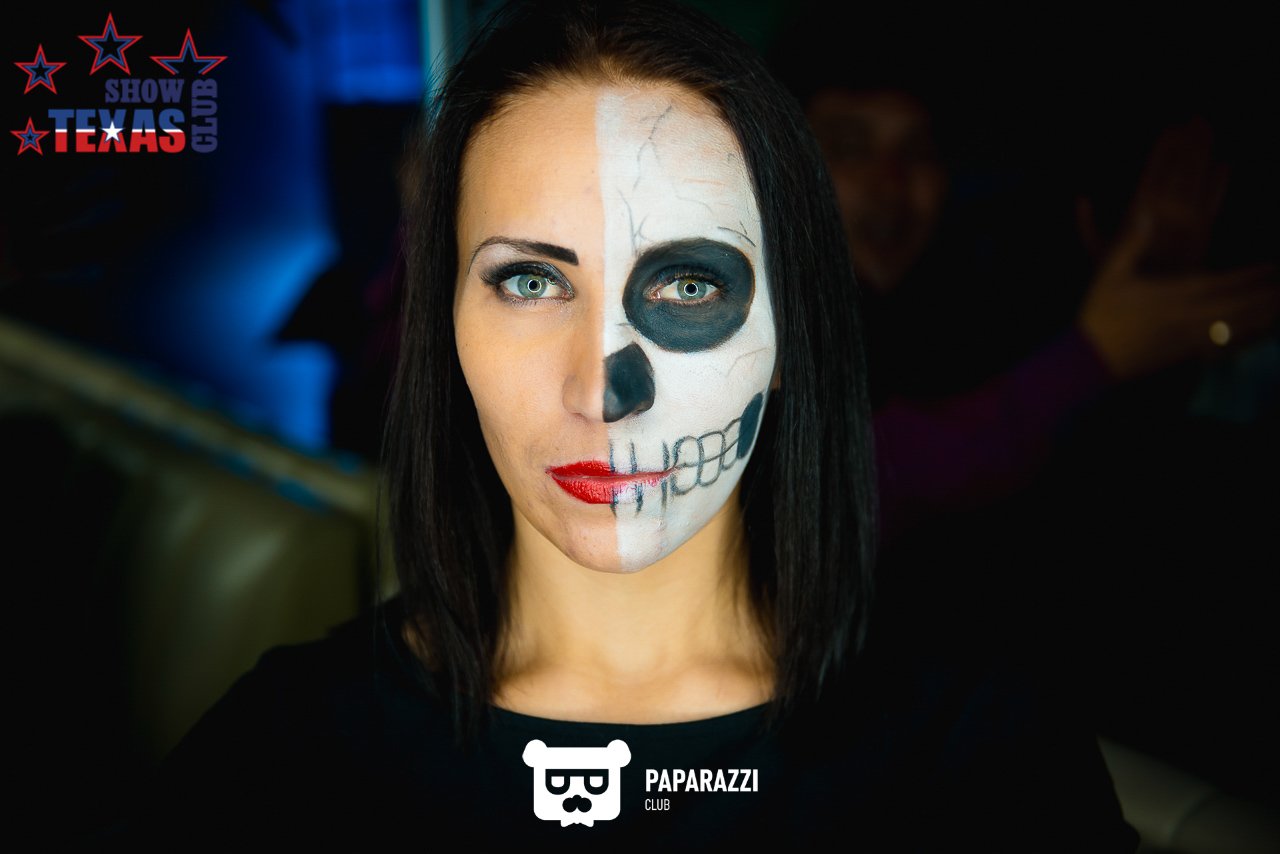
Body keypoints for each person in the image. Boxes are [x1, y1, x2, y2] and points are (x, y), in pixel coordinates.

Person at [110, 1, 1139, 848]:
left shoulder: (981, 754)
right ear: (444, 331)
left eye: (687, 282)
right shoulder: (288, 753)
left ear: (792, 335)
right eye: (529, 281)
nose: (602, 390)